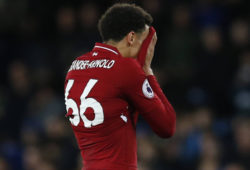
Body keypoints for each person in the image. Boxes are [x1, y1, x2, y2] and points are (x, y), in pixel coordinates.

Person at [64, 3, 176, 170]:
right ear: (131, 38)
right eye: (142, 40)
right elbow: (167, 126)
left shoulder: (75, 66)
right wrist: (146, 71)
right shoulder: (125, 68)